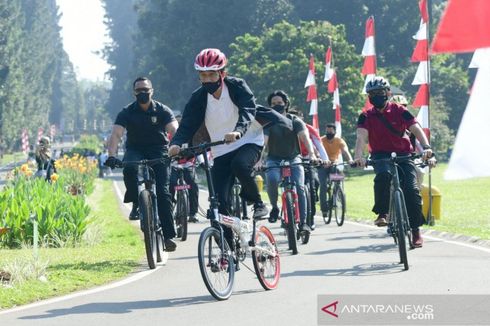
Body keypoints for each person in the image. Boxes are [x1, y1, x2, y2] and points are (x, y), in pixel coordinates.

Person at [169, 48, 289, 250]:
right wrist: (175, 143)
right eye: (203, 75)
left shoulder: (236, 86)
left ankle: (258, 203)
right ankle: (228, 247)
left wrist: (238, 131)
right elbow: (187, 124)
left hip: (248, 140)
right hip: (220, 149)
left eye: (212, 74)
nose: (207, 79)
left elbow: (248, 110)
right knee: (217, 202)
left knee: (240, 164)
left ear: (222, 73)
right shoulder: (198, 97)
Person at [353, 76, 434, 248]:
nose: (377, 96)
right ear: (369, 97)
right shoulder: (365, 116)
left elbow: (416, 128)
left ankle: (416, 230)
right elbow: (361, 138)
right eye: (372, 94)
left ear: (388, 92)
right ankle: (383, 213)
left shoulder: (400, 110)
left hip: (404, 155)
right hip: (380, 156)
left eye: (380, 92)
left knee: (411, 191)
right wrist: (358, 156)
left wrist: (426, 147)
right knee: (382, 176)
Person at [105, 77, 179, 251]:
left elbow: (174, 128)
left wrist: (177, 145)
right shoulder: (127, 112)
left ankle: (168, 236)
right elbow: (116, 134)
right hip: (135, 149)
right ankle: (136, 203)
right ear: (134, 93)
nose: (142, 93)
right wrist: (111, 155)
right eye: (139, 90)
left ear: (152, 91)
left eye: (146, 89)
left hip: (159, 150)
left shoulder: (162, 110)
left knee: (163, 192)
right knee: (128, 167)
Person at [262, 90, 317, 233]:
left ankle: (304, 223)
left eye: (279, 103)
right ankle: (274, 207)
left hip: (294, 158)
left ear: (286, 104)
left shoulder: (295, 121)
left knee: (300, 187)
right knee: (272, 179)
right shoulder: (268, 122)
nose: (277, 105)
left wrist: (312, 154)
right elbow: (263, 143)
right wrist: (258, 160)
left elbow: (305, 138)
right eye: (273, 104)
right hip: (273, 158)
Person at [318, 123, 354, 218]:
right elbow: (317, 151)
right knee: (323, 185)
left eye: (331, 131)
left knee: (338, 178)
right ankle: (324, 208)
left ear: (335, 131)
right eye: (327, 131)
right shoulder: (321, 140)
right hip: (323, 165)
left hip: (334, 164)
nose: (329, 132)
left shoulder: (339, 141)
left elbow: (345, 151)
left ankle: (338, 192)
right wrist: (321, 160)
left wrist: (350, 160)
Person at [169, 115, 200, 223]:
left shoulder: (191, 135)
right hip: (174, 164)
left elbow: (197, 148)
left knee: (193, 184)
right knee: (171, 183)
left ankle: (193, 213)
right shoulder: (169, 136)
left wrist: (201, 160)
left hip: (188, 163)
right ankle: (169, 208)